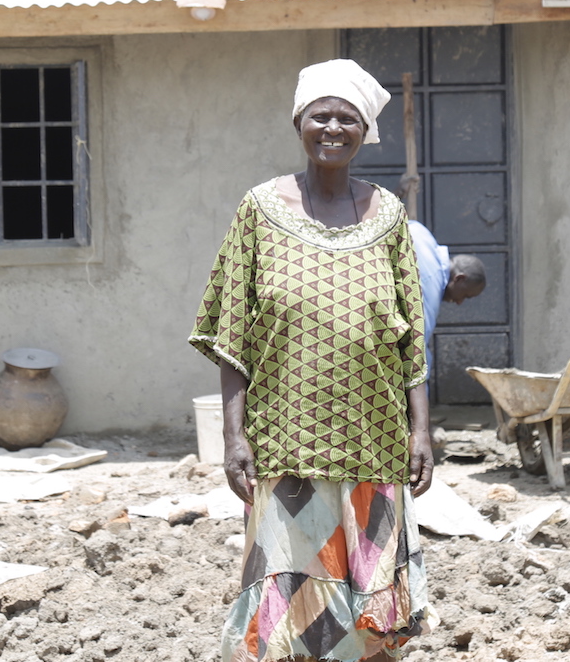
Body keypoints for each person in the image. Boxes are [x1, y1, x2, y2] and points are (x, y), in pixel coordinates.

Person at [190, 58, 437, 662]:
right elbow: (230, 332)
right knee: (289, 603)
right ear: (298, 122)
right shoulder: (259, 210)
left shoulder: (387, 216)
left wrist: (421, 430)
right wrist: (233, 436)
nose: (333, 128)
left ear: (364, 131)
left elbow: (411, 339)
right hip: (285, 440)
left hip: (374, 439)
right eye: (319, 115)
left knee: (370, 601)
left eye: (346, 118)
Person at [407, 220, 487, 387]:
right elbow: (417, 351)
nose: (459, 302)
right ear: (459, 278)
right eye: (465, 295)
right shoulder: (429, 287)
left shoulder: (422, 232)